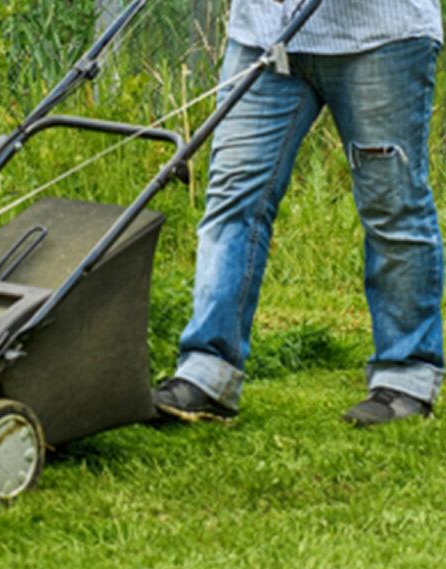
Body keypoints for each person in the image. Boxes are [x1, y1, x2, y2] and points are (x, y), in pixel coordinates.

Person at [153, 0, 444, 427]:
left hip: (379, 37)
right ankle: (208, 372)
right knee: (234, 198)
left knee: (392, 205)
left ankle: (407, 376)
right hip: (262, 35)